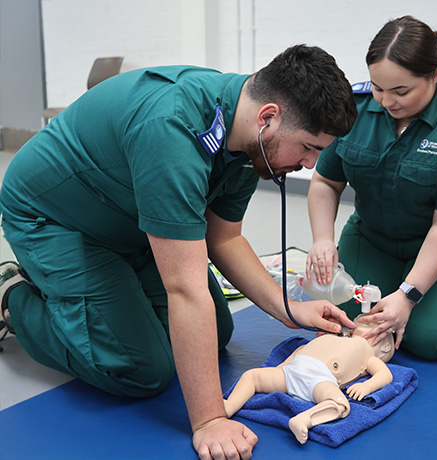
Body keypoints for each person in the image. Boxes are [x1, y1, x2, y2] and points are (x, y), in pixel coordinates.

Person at [0, 45, 358, 459]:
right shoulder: (173, 129)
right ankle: (14, 296)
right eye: (309, 147)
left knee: (218, 333)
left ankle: (94, 296)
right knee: (140, 368)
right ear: (268, 118)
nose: (311, 164)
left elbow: (223, 239)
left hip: (131, 221)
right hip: (58, 221)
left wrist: (290, 308)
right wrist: (209, 420)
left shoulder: (247, 140)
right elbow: (185, 290)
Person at [306, 16, 437, 361]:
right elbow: (325, 182)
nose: (385, 101)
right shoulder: (355, 106)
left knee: (431, 338)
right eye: (378, 87)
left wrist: (408, 294)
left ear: (436, 73)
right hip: (375, 236)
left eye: (401, 91)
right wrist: (322, 239)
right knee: (344, 321)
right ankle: (405, 285)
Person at [224, 318, 394, 444]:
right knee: (253, 376)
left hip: (320, 377)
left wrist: (366, 386)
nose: (367, 320)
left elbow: (385, 375)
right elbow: (301, 348)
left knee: (340, 404)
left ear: (384, 348)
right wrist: (282, 368)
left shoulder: (368, 353)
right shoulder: (338, 336)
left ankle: (304, 419)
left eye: (373, 325)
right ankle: (229, 406)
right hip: (292, 370)